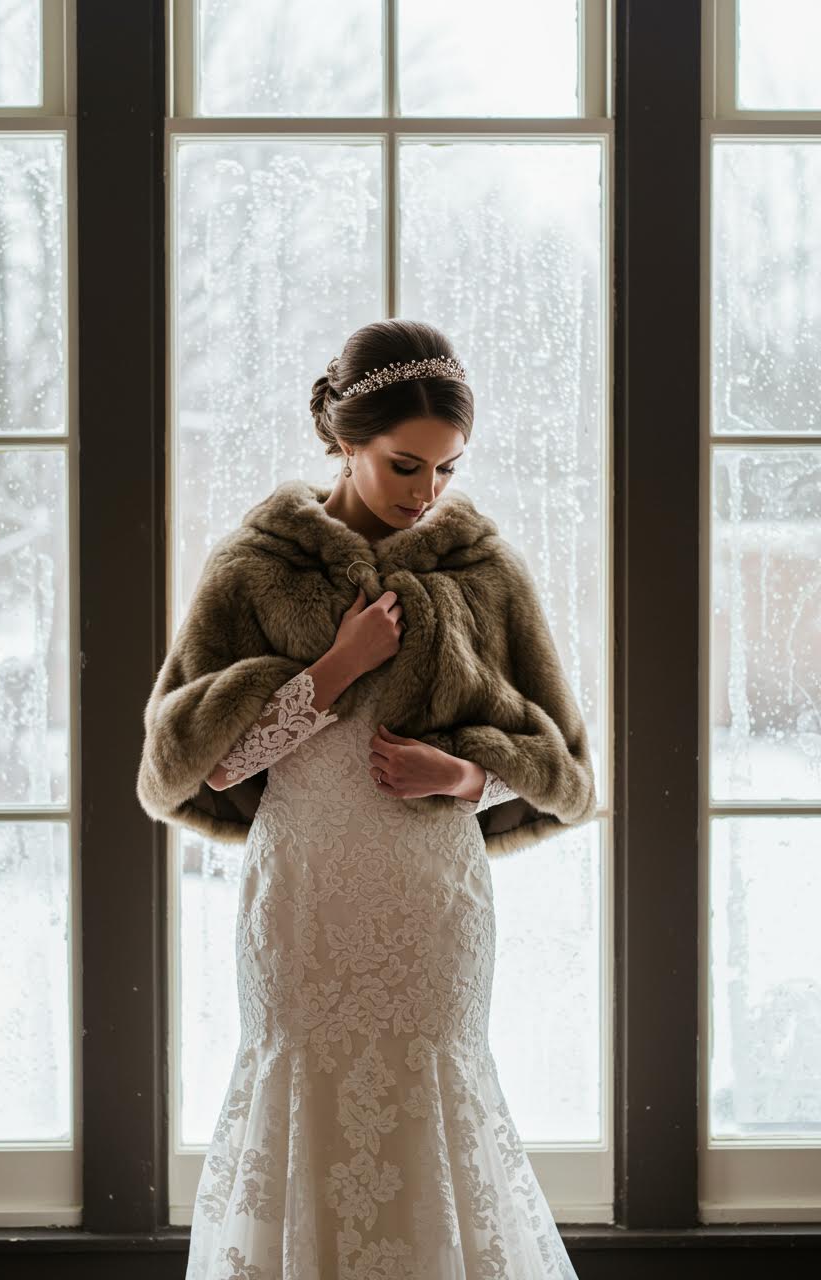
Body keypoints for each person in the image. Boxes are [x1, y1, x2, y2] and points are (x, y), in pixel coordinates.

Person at [165, 320, 586, 1279]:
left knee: (435, 1086)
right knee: (301, 1086)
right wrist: (336, 669)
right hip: (305, 894)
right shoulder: (256, 566)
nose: (427, 493)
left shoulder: (481, 570)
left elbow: (559, 763)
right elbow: (213, 765)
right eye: (405, 465)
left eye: (446, 469)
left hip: (430, 899)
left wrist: (466, 777)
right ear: (345, 438)